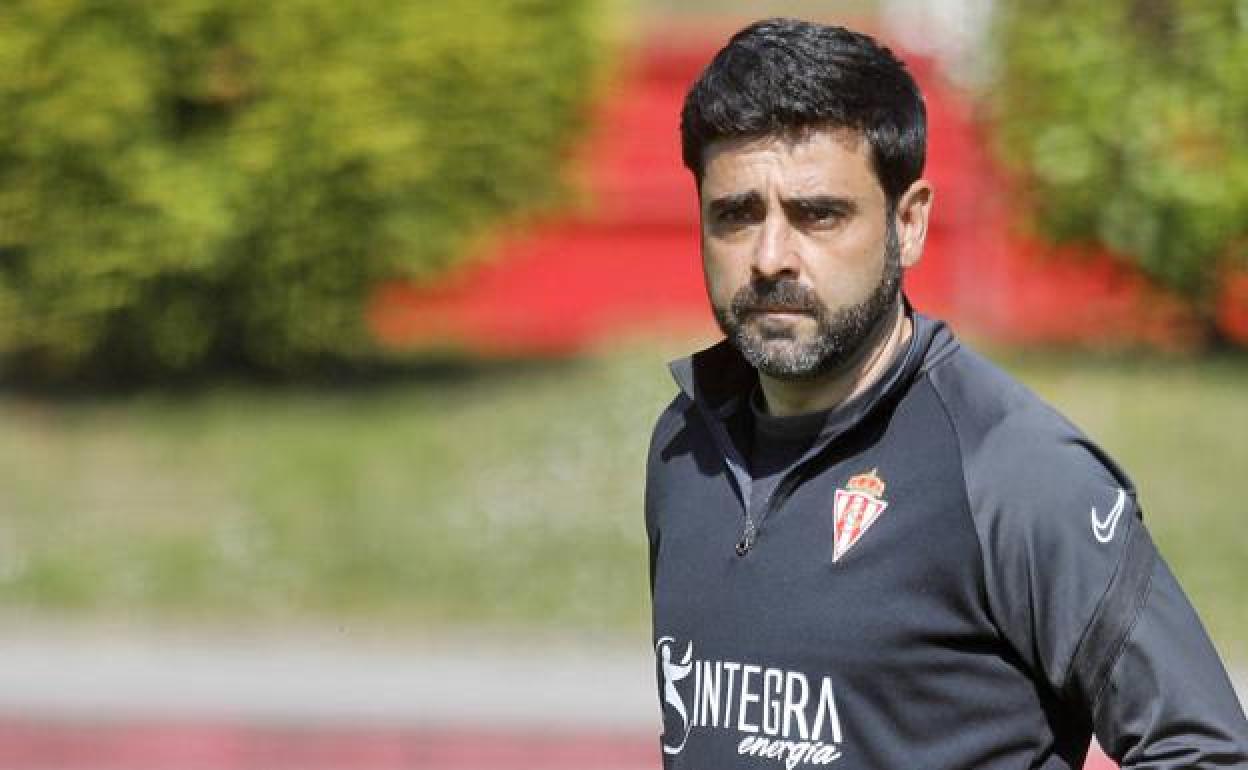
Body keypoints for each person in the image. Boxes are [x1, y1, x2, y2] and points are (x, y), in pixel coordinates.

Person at [643, 18, 1248, 769]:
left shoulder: (1013, 470)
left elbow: (1207, 752)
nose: (771, 258)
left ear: (909, 223)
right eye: (736, 215)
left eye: (818, 214)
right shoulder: (685, 446)